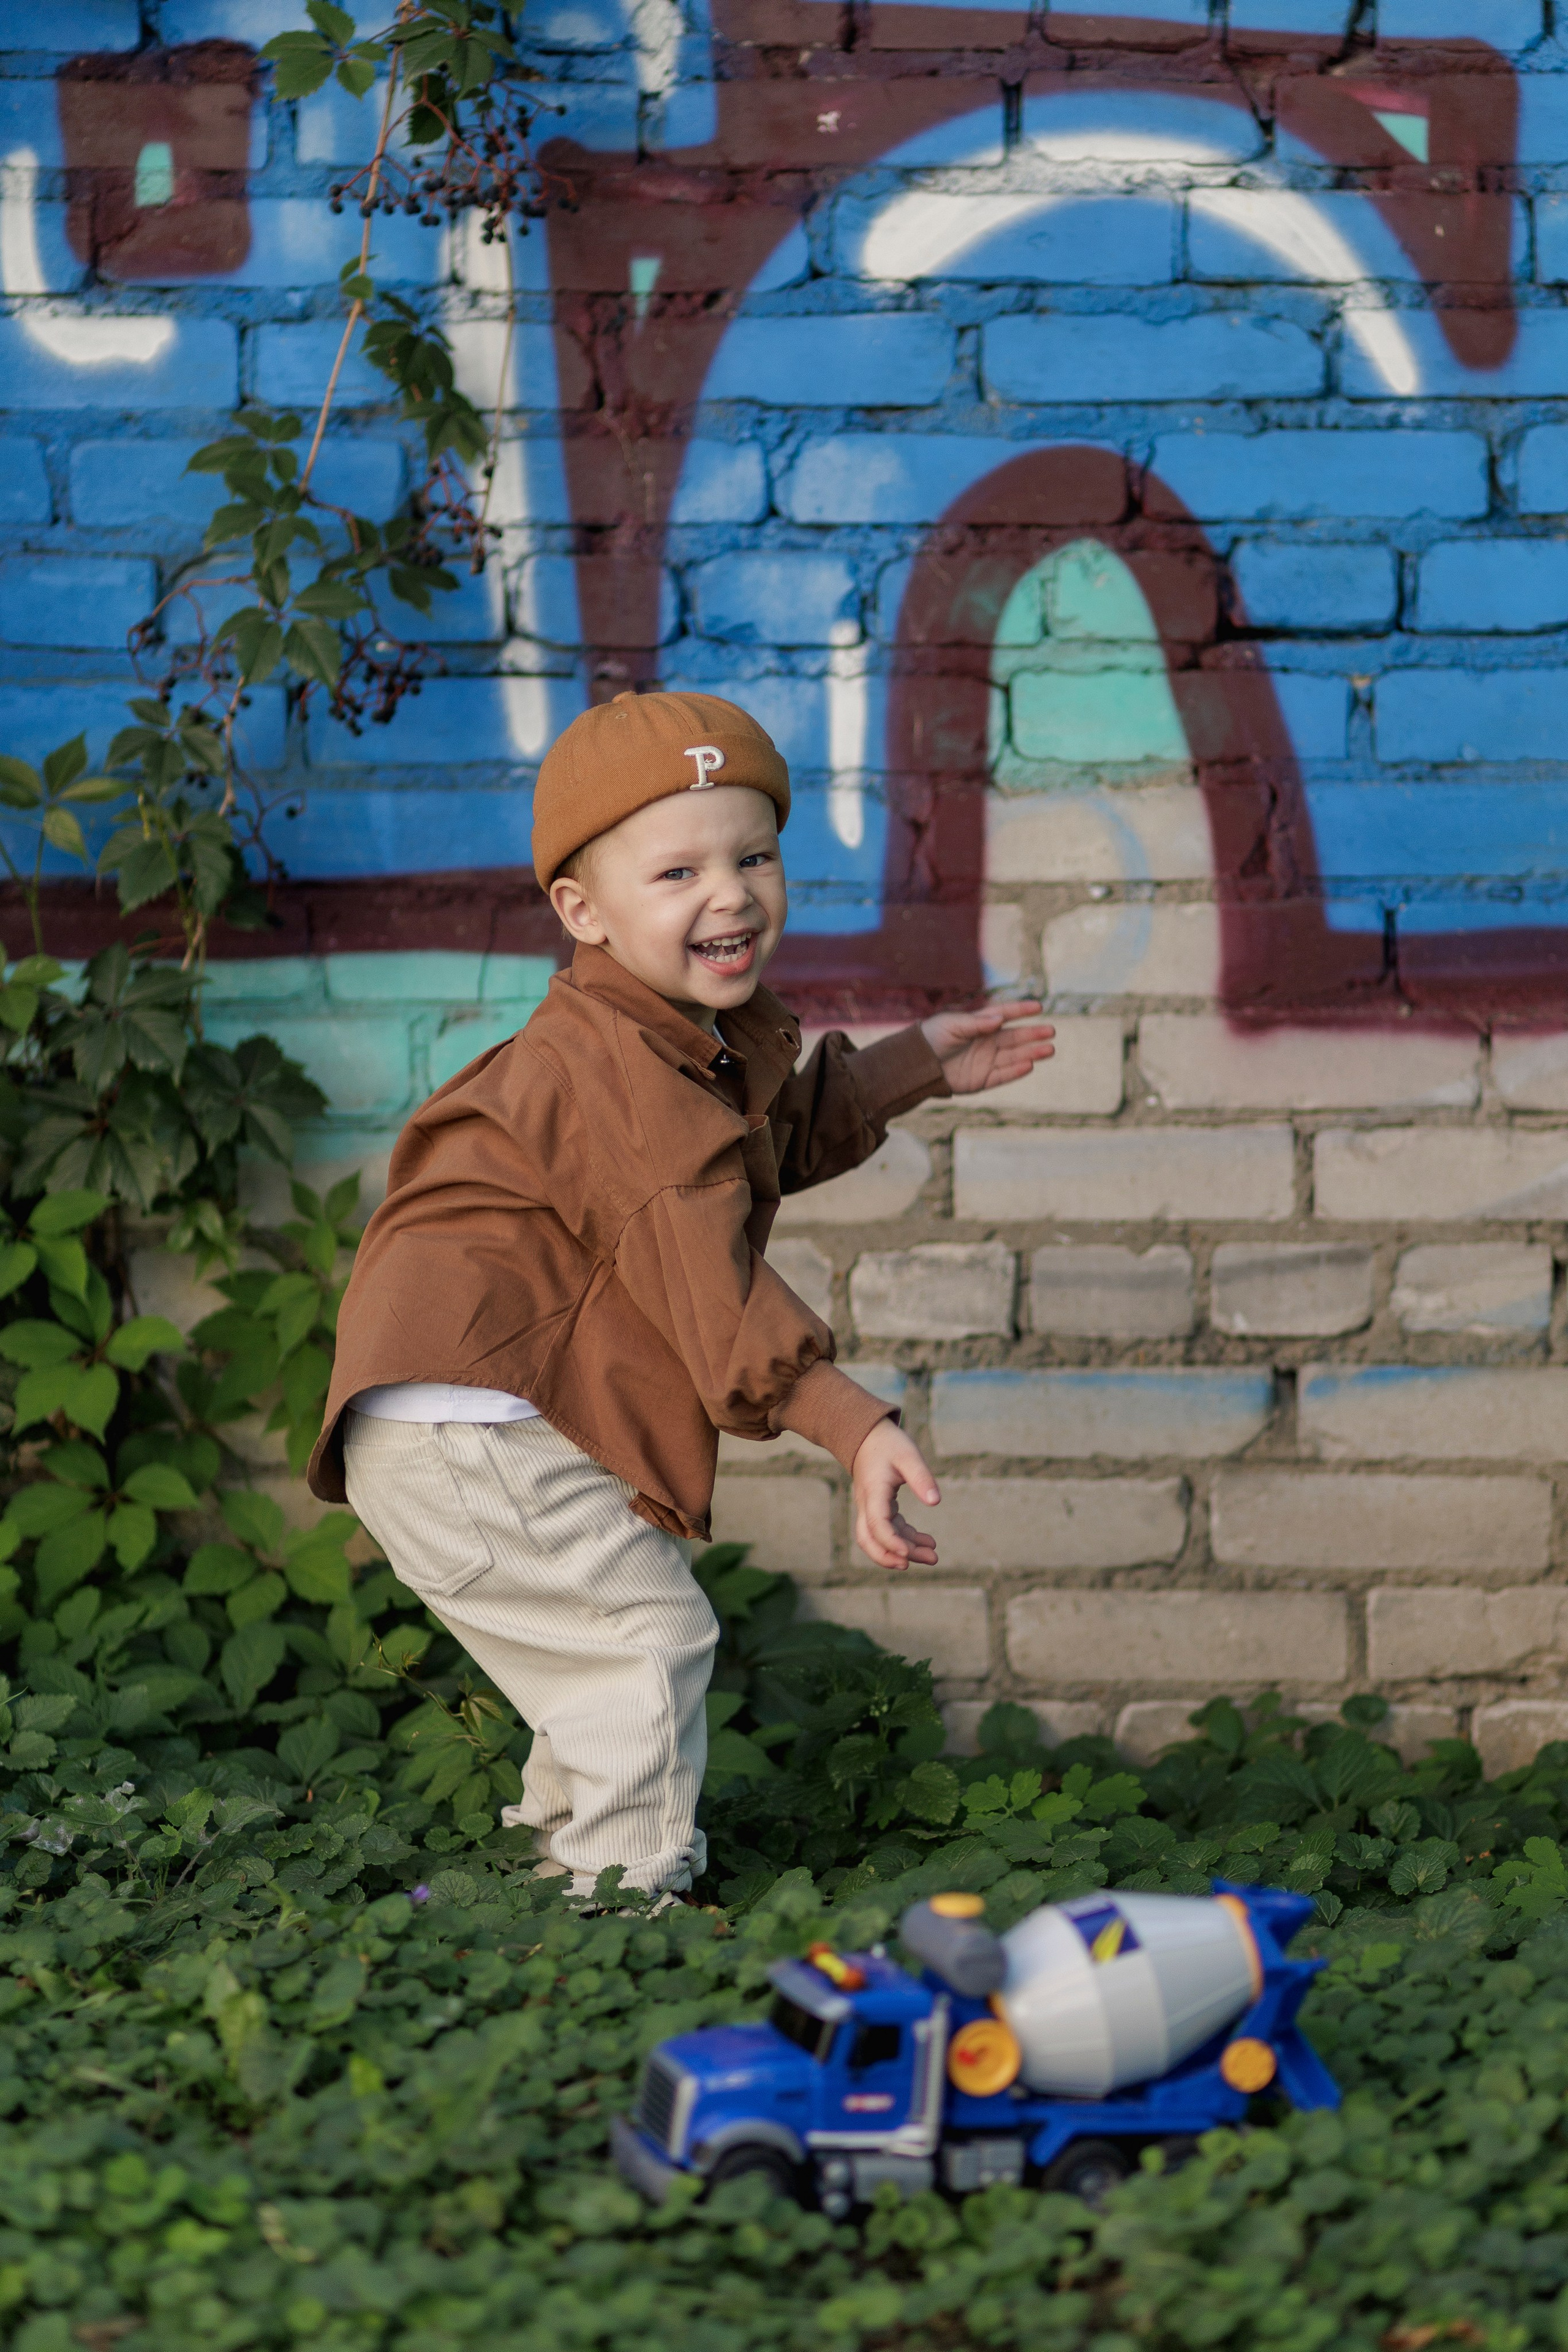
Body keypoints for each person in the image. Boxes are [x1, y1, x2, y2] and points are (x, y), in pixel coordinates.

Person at [307, 689, 1054, 1902]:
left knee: (595, 1655)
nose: (731, 893)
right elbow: (706, 1274)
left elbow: (741, 1154)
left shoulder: (660, 1035)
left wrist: (915, 1063)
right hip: (465, 1424)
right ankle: (617, 1908)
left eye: (752, 855)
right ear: (580, 911)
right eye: (676, 873)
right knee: (640, 1643)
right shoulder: (617, 1071)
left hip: (474, 1415)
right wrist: (849, 1421)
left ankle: (557, 1879)